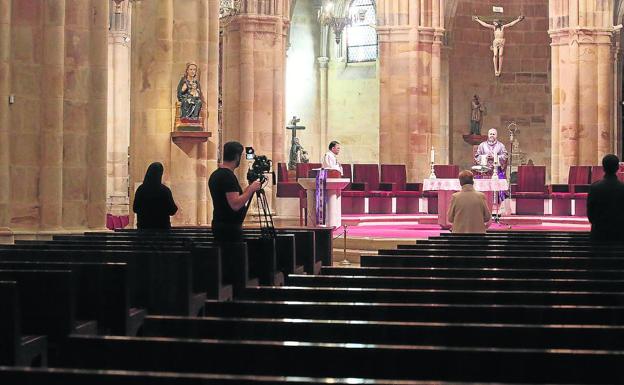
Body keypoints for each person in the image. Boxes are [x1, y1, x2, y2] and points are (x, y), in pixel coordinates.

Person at [209, 141, 262, 243]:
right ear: (237, 157)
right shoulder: (227, 176)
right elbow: (235, 204)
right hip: (229, 229)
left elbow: (233, 199)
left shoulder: (216, 174)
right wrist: (251, 189)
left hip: (220, 224)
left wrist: (250, 187)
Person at [587, 154, 624, 243]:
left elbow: (590, 214)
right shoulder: (622, 188)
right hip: (619, 235)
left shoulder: (594, 187)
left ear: (603, 168)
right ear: (618, 168)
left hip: (599, 235)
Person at [133, 162, 178, 230]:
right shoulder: (165, 191)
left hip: (144, 230)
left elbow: (135, 208)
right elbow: (172, 210)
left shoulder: (141, 190)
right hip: (162, 230)